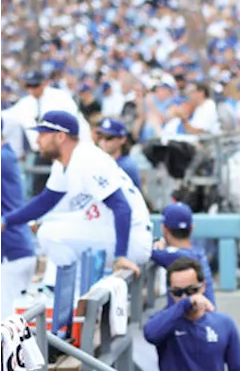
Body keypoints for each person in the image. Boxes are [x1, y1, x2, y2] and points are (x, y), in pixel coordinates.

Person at [0, 110, 149, 276]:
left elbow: (122, 207)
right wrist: (6, 221)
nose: (37, 140)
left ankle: (73, 289)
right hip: (111, 230)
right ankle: (71, 286)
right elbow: (45, 202)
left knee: (48, 233)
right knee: (46, 222)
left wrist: (120, 256)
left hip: (132, 238)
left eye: (43, 134)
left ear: (60, 137)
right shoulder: (65, 160)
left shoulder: (87, 159)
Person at [0, 130, 35, 318]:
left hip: (11, 255)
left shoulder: (2, 157)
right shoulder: (7, 153)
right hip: (18, 249)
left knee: (6, 328)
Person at [152, 202, 215, 302]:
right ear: (192, 228)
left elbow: (148, 250)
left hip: (195, 314)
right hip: (207, 314)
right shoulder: (198, 252)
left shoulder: (173, 255)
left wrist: (158, 242)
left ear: (164, 229)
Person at [94, 116, 142, 189]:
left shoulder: (127, 165)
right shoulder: (100, 160)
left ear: (122, 139)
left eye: (108, 138)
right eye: (100, 137)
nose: (103, 142)